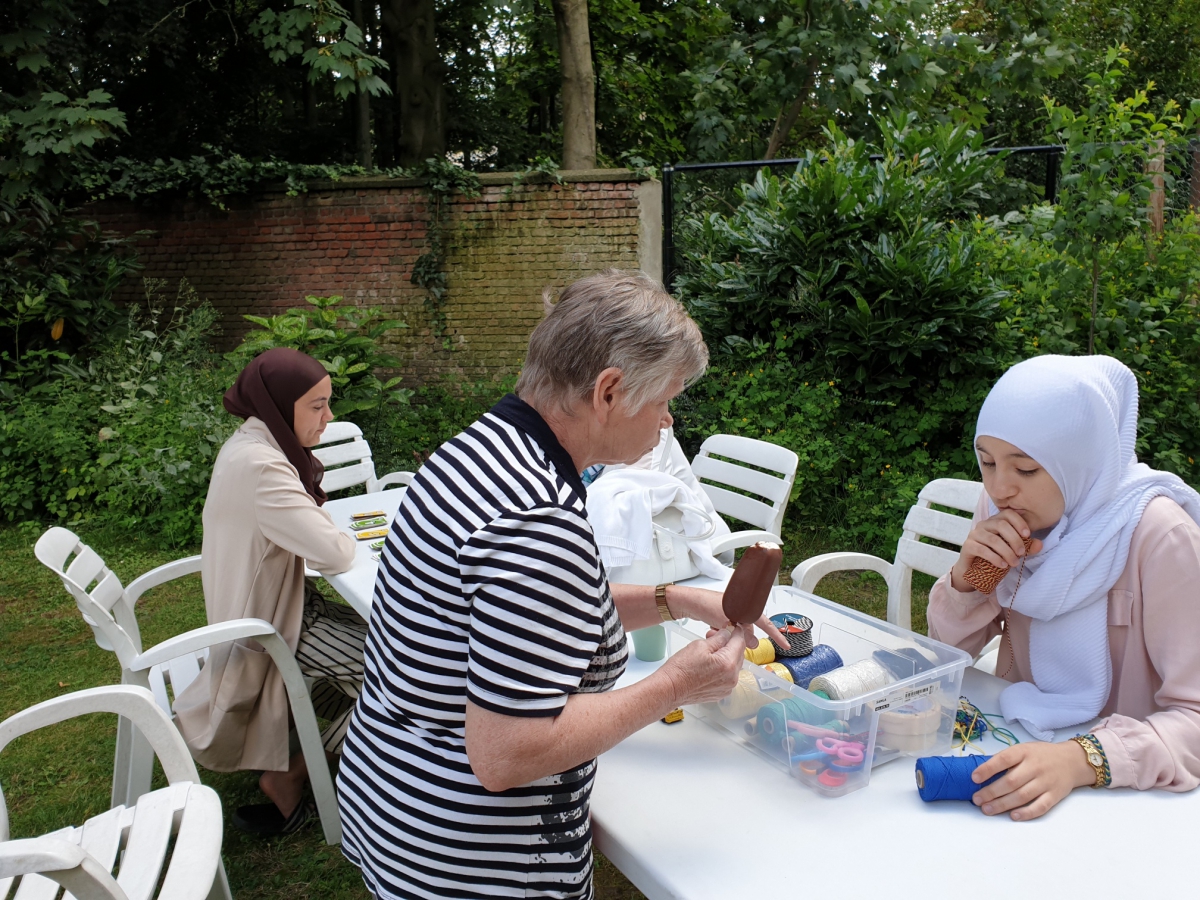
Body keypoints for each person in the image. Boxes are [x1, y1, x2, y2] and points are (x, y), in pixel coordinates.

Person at [336, 270, 785, 899]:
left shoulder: (478, 451)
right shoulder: (536, 524)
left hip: (395, 792)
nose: (667, 420)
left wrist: (673, 598)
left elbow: (534, 619)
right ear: (609, 391)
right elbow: (506, 755)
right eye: (664, 400)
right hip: (477, 859)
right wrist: (676, 684)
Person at [927, 354, 1200, 820]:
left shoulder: (1158, 536)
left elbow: (1193, 717)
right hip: (1018, 745)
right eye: (987, 462)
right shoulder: (1002, 515)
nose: (1000, 488)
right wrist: (969, 579)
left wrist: (1080, 759)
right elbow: (949, 656)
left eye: (1026, 469)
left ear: (1082, 461)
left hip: (1132, 795)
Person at [174, 347, 364, 836]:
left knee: (388, 643)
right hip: (273, 629)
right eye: (317, 406)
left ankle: (329, 751)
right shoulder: (264, 468)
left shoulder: (248, 444)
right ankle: (293, 776)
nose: (329, 416)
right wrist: (328, 527)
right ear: (282, 405)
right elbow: (338, 553)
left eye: (329, 403)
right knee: (409, 669)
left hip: (278, 611)